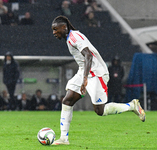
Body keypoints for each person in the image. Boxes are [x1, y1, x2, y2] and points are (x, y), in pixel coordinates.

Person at [51, 15, 146, 145]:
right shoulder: (70, 37)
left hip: (96, 73)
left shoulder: (74, 37)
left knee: (100, 111)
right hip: (84, 70)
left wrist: (85, 79)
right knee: (67, 100)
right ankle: (63, 138)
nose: (54, 33)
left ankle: (131, 106)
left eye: (56, 29)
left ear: (63, 27)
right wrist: (83, 76)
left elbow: (88, 55)